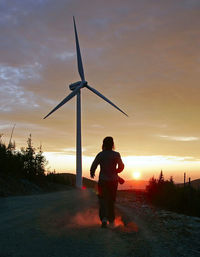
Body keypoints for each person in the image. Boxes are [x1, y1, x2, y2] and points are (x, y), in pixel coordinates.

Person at [90, 136, 124, 228]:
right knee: (111, 201)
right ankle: (112, 220)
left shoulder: (101, 154)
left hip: (103, 181)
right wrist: (116, 172)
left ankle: (104, 219)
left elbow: (94, 165)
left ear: (103, 144)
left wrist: (92, 172)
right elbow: (121, 166)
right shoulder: (116, 154)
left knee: (102, 200)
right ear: (112, 144)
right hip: (113, 181)